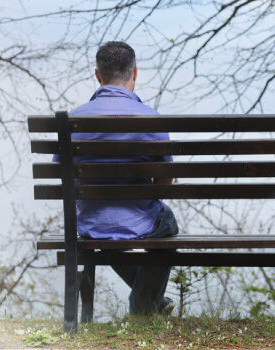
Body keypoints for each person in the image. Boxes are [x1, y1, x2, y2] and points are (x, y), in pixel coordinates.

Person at [53, 41, 178, 316]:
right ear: (135, 73)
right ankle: (143, 306)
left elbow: (62, 177)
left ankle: (149, 302)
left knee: (108, 226)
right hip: (139, 220)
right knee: (166, 224)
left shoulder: (72, 120)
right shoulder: (152, 120)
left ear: (98, 76)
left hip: (90, 222)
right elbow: (165, 182)